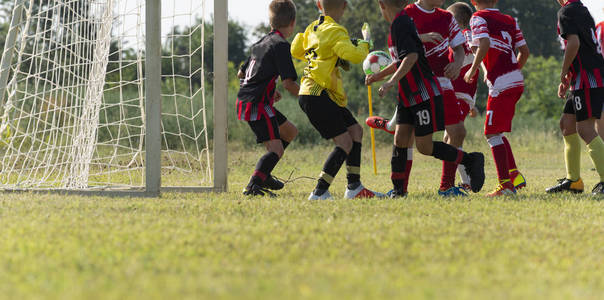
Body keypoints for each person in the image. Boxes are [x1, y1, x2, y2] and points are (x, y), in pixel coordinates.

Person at [374, 0, 485, 198]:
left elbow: (459, 49)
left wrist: (458, 64)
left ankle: (447, 186)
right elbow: (402, 52)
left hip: (441, 82)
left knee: (457, 132)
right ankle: (400, 190)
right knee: (404, 138)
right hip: (414, 83)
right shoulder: (405, 14)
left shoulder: (446, 17)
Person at [291, 0, 382, 200]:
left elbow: (296, 49)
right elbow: (355, 56)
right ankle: (319, 192)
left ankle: (354, 187)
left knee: (355, 131)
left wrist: (326, 53)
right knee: (345, 142)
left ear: (318, 6)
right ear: (343, 7)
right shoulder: (336, 30)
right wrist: (366, 43)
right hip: (318, 94)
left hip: (318, 94)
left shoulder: (312, 28)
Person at [464, 0, 530, 196]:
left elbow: (483, 43)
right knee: (498, 131)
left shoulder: (477, 17)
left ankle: (505, 185)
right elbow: (524, 52)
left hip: (502, 84)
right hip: (516, 81)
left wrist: (473, 69)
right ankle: (514, 176)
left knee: (491, 132)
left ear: (473, 1)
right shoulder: (509, 19)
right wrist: (510, 72)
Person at [236, 0, 300, 197]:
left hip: (249, 100)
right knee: (276, 150)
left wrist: (269, 89)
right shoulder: (281, 45)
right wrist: (311, 97)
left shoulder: (261, 43)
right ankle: (253, 186)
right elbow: (289, 84)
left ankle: (264, 174)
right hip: (256, 104)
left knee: (289, 131)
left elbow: (242, 73)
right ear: (292, 22)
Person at [546, 0, 604, 195]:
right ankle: (573, 181)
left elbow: (575, 43)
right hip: (583, 78)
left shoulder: (566, 11)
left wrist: (563, 72)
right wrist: (568, 78)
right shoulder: (582, 10)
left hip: (588, 79)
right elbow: (584, 47)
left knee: (585, 129)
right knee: (567, 124)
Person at [447, 2, 480, 192]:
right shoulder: (462, 37)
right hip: (459, 95)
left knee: (451, 138)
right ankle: (464, 179)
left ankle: (465, 178)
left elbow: (472, 56)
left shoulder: (464, 36)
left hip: (459, 94)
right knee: (449, 139)